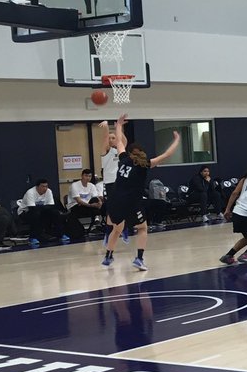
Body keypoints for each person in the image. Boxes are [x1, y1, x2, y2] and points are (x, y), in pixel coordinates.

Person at [102, 114, 180, 271]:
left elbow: (119, 142)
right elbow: (167, 155)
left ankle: (108, 256)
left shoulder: (123, 159)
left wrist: (118, 125)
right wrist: (177, 140)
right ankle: (139, 258)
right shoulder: (145, 164)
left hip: (115, 200)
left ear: (130, 153)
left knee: (117, 229)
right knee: (142, 228)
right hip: (132, 202)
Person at [17, 179, 67, 247]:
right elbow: (32, 208)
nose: (45, 188)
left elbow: (51, 206)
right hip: (24, 212)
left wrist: (43, 208)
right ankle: (33, 237)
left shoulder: (49, 191)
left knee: (55, 213)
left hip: (40, 210)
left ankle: (60, 234)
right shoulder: (30, 192)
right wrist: (44, 207)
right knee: (35, 214)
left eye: (46, 186)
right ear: (37, 187)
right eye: (43, 186)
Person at [65, 169, 104, 241]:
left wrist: (100, 203)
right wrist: (91, 205)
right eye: (86, 176)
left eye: (90, 176)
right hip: (75, 206)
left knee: (102, 206)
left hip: (88, 206)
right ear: (82, 176)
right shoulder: (75, 185)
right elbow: (79, 201)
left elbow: (96, 198)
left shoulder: (91, 186)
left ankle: (101, 224)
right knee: (92, 208)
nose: (88, 178)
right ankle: (95, 223)